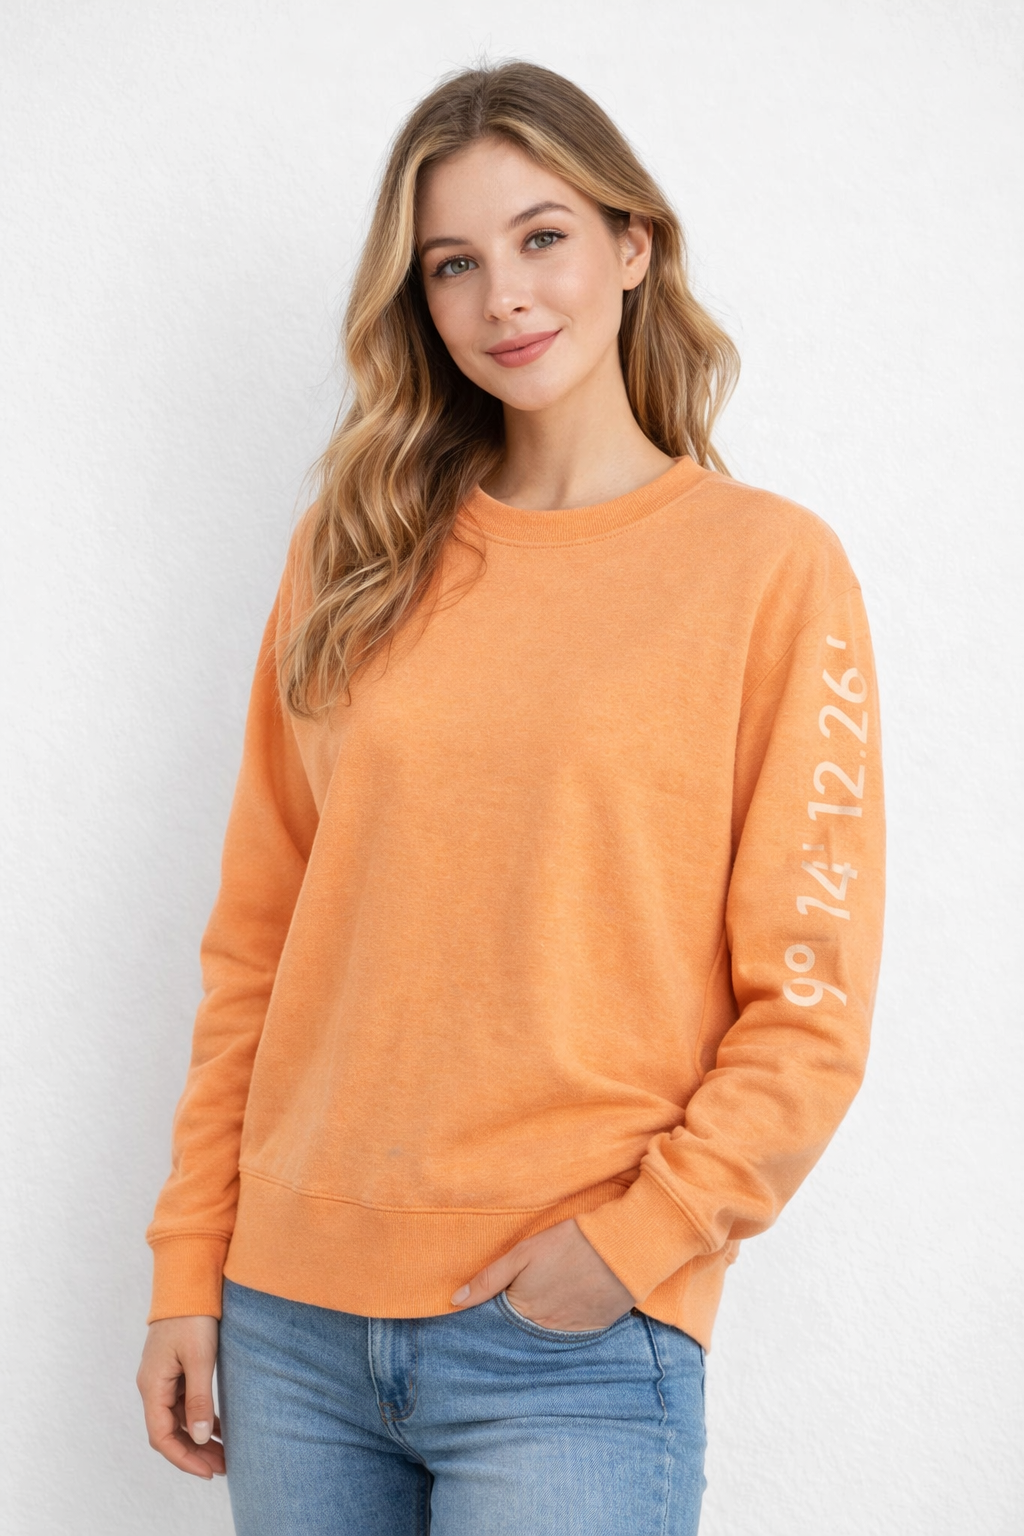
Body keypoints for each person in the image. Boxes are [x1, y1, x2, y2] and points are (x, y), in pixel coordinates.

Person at [136, 60, 885, 1536]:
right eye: (454, 264)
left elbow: (809, 1001)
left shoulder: (768, 570)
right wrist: (187, 1267)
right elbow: (259, 946)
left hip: (572, 1346)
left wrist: (642, 1243)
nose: (505, 297)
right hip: (290, 1327)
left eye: (543, 237)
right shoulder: (351, 553)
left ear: (632, 244)